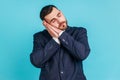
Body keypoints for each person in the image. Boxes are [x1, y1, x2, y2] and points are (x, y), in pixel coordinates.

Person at [30, 5, 90, 80]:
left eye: (59, 15)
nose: (60, 21)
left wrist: (61, 34)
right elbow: (36, 62)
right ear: (47, 24)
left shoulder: (79, 32)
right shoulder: (39, 37)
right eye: (53, 21)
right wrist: (55, 40)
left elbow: (82, 54)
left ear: (61, 12)